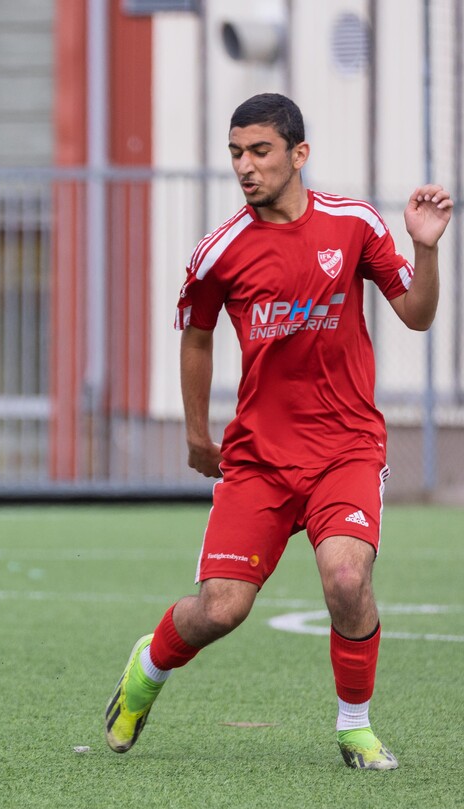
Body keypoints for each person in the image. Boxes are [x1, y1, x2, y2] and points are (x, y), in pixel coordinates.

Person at [103, 93, 452, 770]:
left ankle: (355, 728)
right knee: (220, 609)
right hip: (260, 458)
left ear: (299, 154)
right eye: (236, 152)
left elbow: (416, 313)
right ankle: (147, 668)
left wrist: (424, 247)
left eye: (260, 151)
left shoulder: (353, 224)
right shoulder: (220, 251)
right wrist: (197, 434)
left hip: (346, 448)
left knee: (346, 579)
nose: (245, 165)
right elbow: (196, 337)